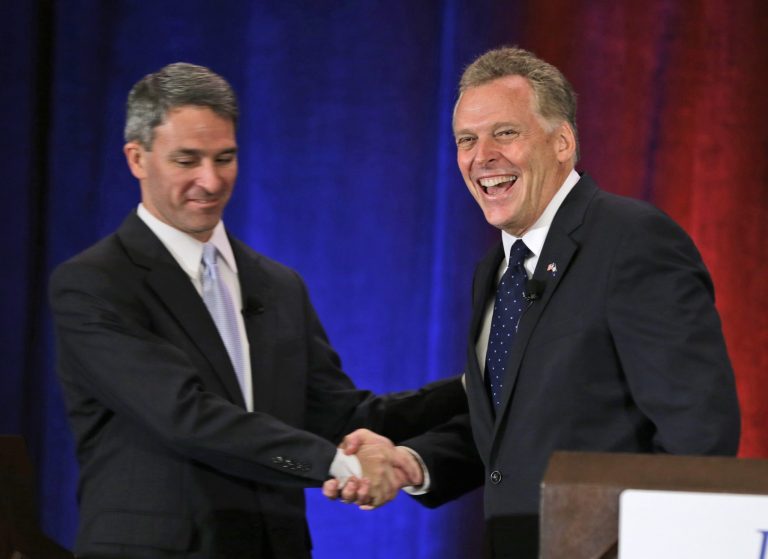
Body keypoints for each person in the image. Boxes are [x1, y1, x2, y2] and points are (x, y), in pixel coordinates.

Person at [324, 46, 741, 558]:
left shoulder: (632, 241)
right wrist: (411, 462)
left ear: (563, 141)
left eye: (505, 132)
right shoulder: (495, 270)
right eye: (466, 140)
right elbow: (514, 431)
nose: (482, 157)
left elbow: (698, 435)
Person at [48, 62, 467, 559]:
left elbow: (340, 415)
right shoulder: (95, 283)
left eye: (225, 158)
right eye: (187, 160)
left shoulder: (277, 285)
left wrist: (470, 391)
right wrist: (341, 467)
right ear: (137, 158)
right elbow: (185, 416)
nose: (210, 180)